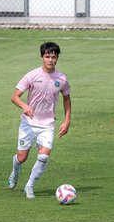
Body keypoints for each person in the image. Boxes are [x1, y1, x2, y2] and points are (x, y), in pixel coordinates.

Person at [7, 42, 72, 199]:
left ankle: (29, 185)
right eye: (47, 56)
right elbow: (14, 97)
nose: (50, 60)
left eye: (53, 57)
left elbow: (67, 99)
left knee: (43, 157)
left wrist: (67, 121)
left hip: (47, 124)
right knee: (22, 158)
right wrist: (24, 106)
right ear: (41, 57)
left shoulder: (62, 79)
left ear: (57, 58)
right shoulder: (32, 75)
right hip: (28, 122)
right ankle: (16, 169)